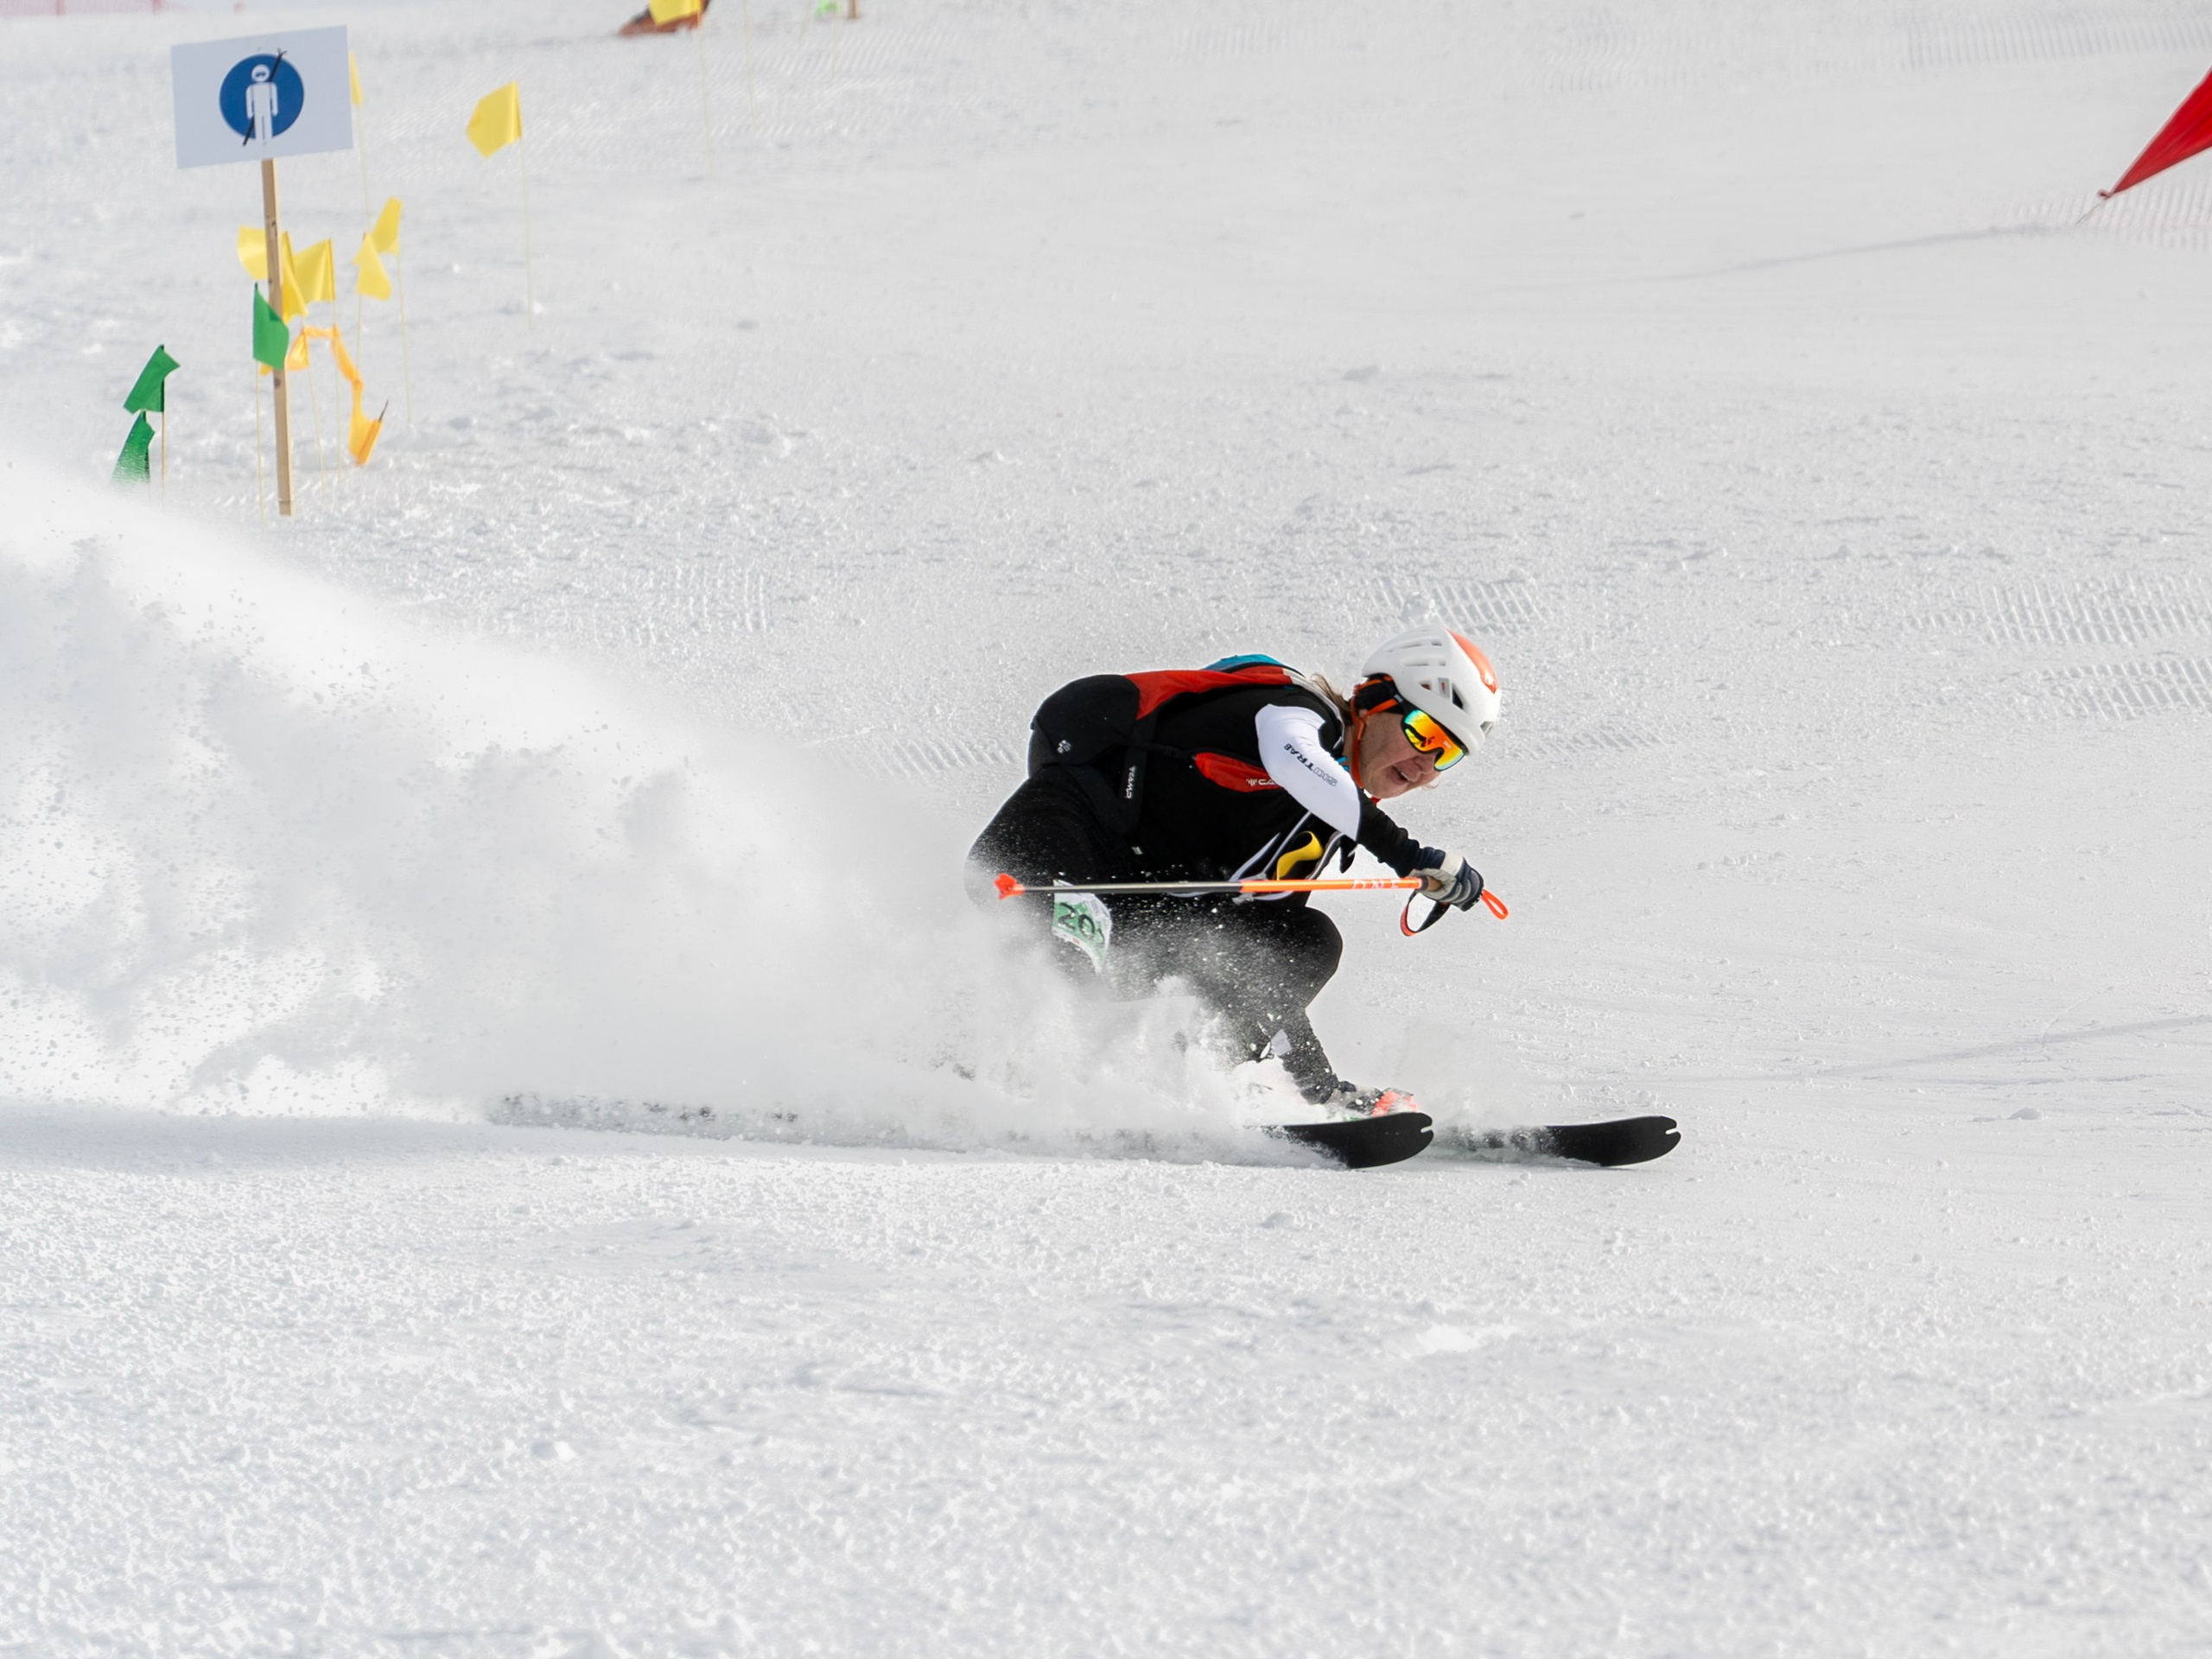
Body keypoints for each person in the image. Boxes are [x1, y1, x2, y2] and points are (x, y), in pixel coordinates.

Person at [968, 627, 1498, 1114]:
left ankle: (1179, 1084)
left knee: (1305, 940)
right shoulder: (1290, 711)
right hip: (1046, 857)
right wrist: (1409, 856)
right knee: (1067, 958)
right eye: (1425, 731)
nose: (1428, 762)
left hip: (1132, 925)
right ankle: (965, 1066)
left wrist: (1319, 1091)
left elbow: (1260, 981)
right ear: (1374, 703)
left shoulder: (1315, 830)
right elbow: (1295, 759)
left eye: (1448, 754)